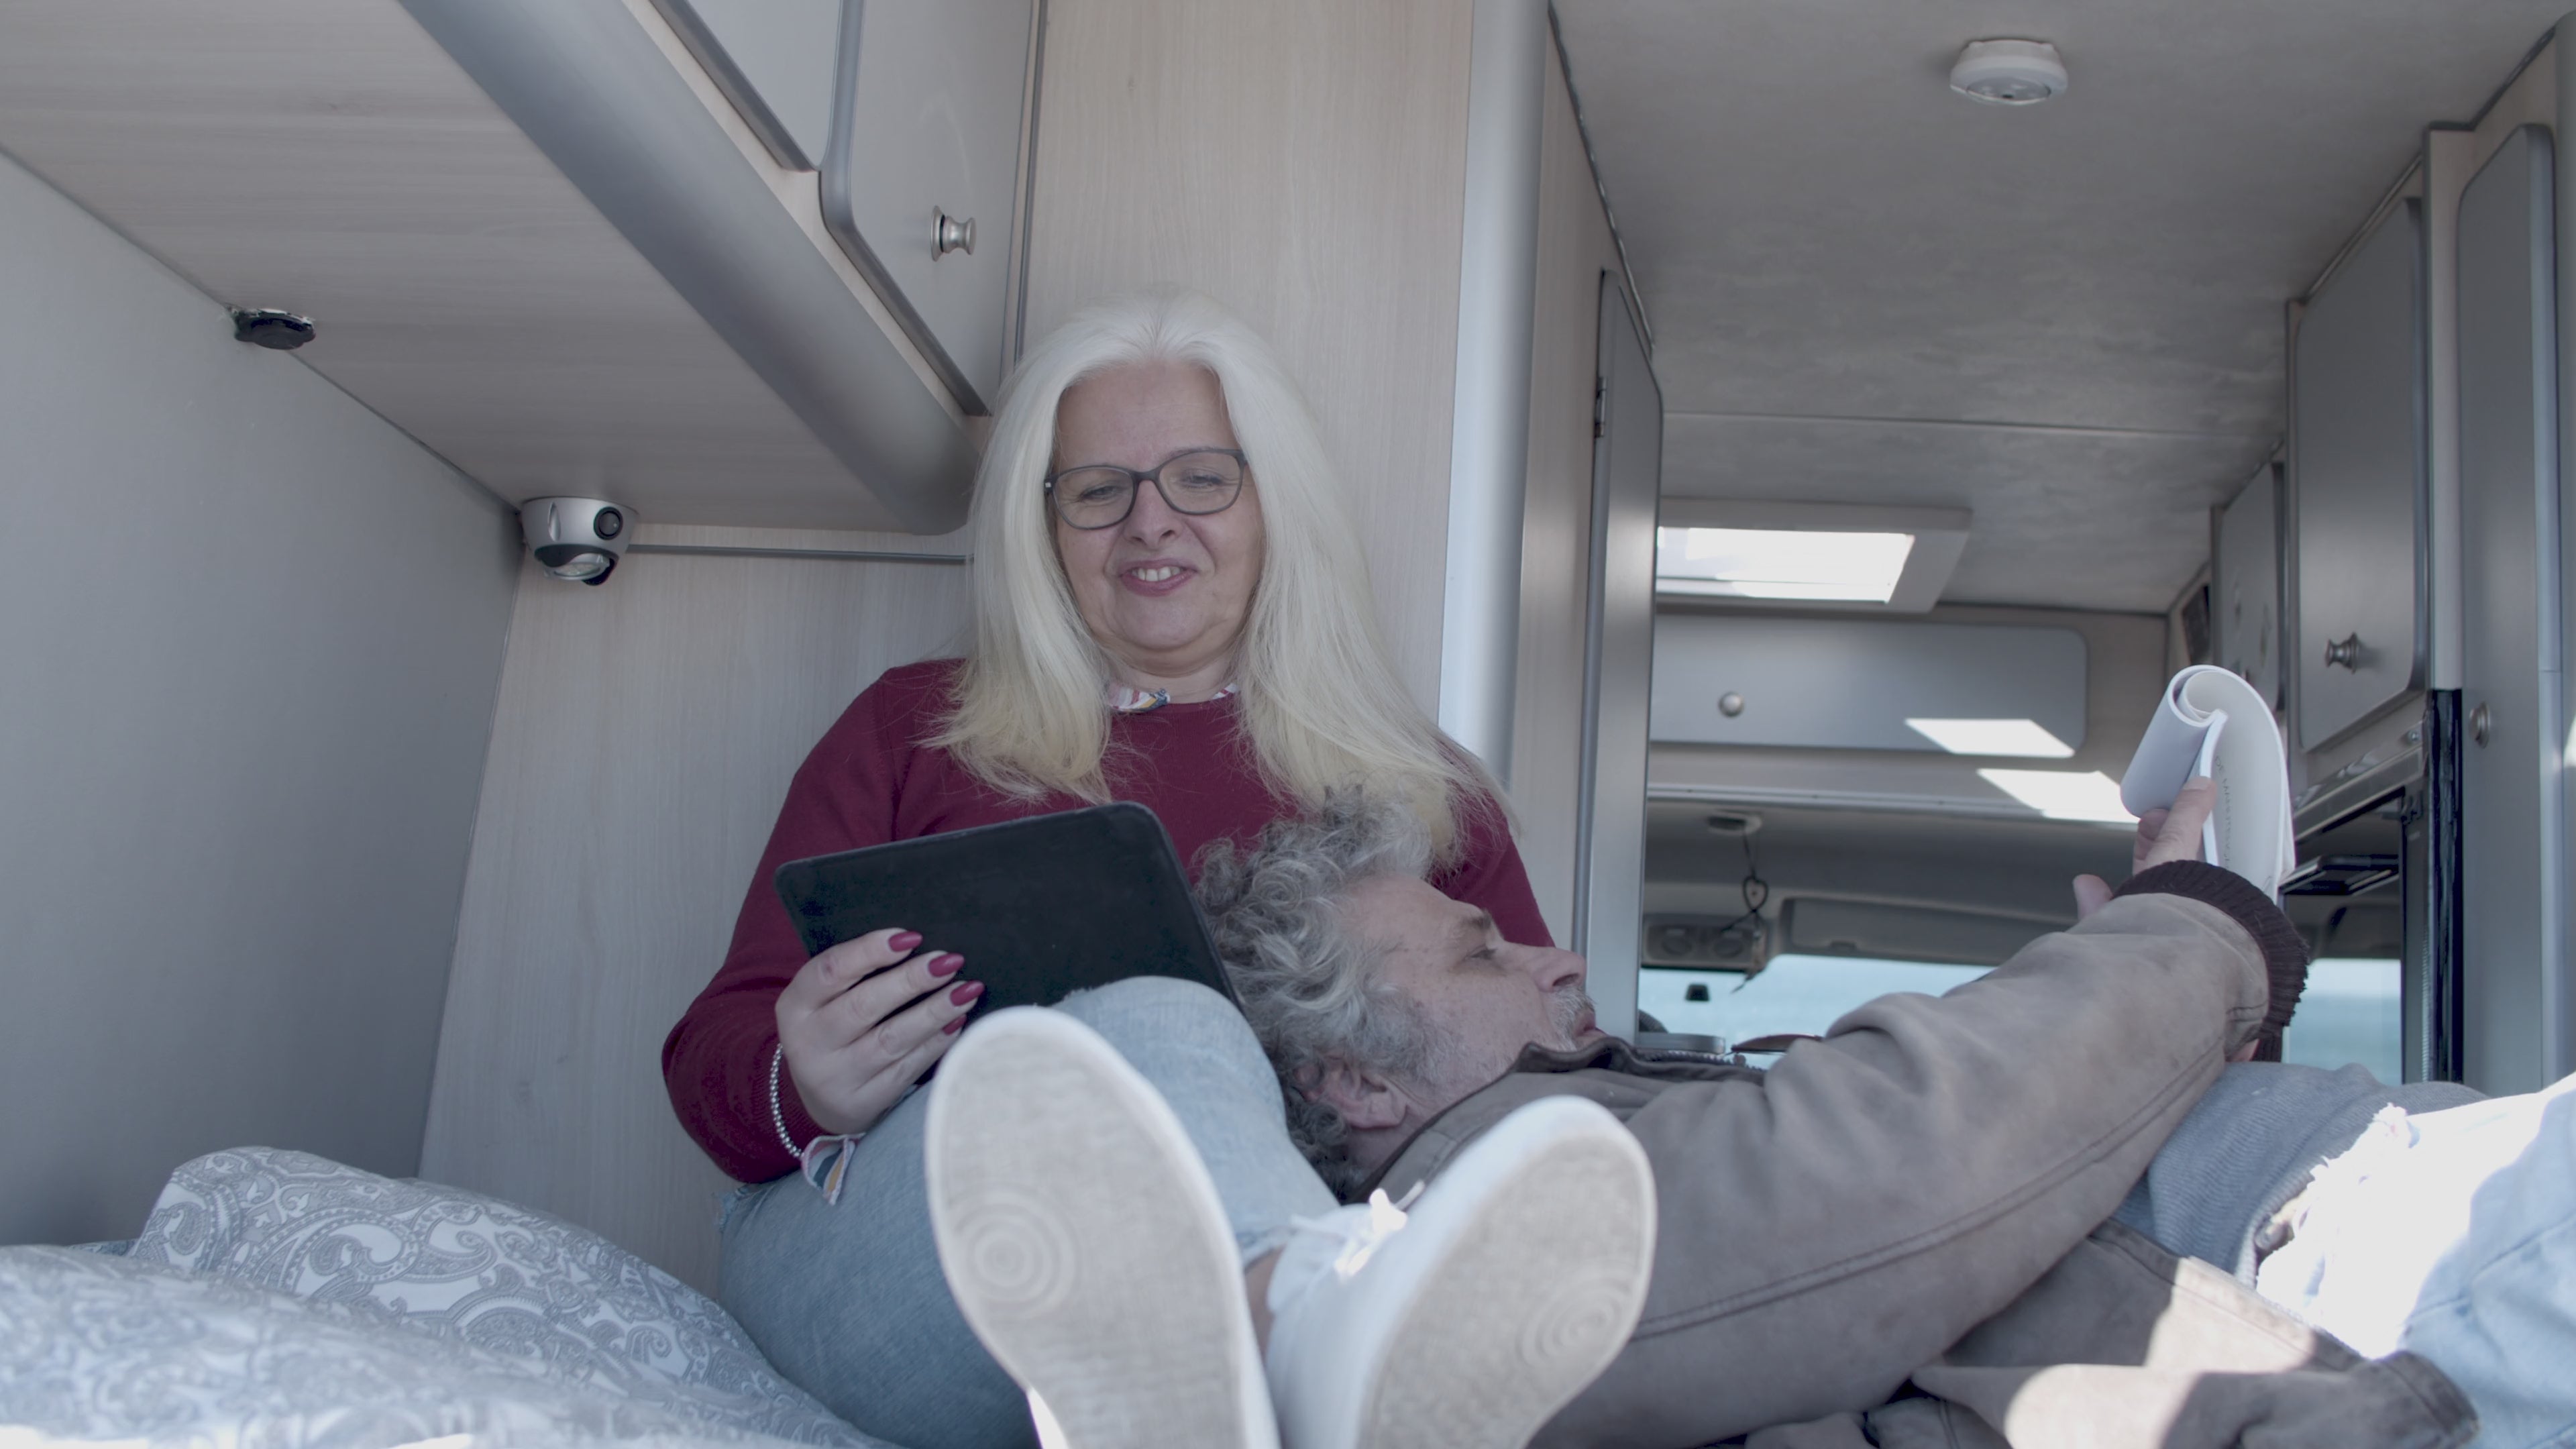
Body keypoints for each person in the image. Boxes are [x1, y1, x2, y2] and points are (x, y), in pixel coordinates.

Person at [920, 785, 2558, 1448]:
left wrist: (2178, 1027)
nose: (1557, 957)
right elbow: (1897, 1167)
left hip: (2361, 1246)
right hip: (2372, 1262)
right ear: (1361, 1079)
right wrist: (2199, 925)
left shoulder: (1580, 1136)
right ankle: (1284, 1331)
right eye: (1484, 950)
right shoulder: (1506, 1177)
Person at [659, 290, 1558, 1449]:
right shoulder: (912, 729)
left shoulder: (1424, 787)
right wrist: (804, 1085)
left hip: (1224, 1302)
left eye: (1201, 478)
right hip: (896, 1261)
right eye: (1098, 491)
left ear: (1274, 503)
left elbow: (1541, 1048)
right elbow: (713, 1066)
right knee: (1154, 1021)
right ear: (1044, 526)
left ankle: (1255, 1360)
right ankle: (1300, 1332)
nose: (1151, 525)